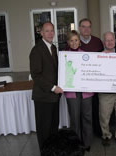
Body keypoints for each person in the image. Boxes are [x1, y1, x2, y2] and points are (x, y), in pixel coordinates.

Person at [29, 22, 63, 154]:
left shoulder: (53, 48)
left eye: (52, 30)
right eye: (47, 31)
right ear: (41, 33)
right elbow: (36, 75)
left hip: (54, 97)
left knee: (53, 127)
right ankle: (45, 152)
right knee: (44, 129)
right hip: (43, 97)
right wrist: (53, 87)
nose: (50, 33)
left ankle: (52, 151)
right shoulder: (37, 50)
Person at [64, 30, 94, 152]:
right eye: (71, 40)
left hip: (86, 93)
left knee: (87, 118)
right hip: (72, 93)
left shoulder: (86, 55)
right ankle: (76, 144)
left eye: (76, 40)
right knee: (75, 120)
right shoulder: (64, 56)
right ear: (68, 42)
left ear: (79, 42)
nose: (74, 42)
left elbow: (91, 72)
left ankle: (86, 143)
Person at [98, 32, 116, 146]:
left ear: (115, 41)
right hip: (105, 93)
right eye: (107, 40)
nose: (109, 42)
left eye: (111, 40)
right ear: (104, 42)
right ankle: (106, 135)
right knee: (104, 116)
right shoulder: (98, 56)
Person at [78, 18, 104, 137]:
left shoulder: (98, 41)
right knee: (84, 110)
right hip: (81, 82)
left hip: (96, 81)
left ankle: (97, 130)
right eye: (83, 26)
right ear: (79, 28)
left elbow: (103, 59)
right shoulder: (75, 41)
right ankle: (84, 133)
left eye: (88, 27)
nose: (86, 29)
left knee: (95, 107)